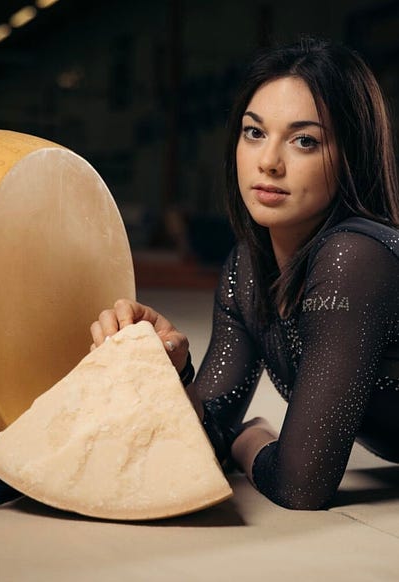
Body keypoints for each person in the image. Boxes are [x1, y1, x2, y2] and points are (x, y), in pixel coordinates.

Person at [90, 37, 399, 510]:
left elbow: (301, 485)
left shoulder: (354, 259)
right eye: (255, 132)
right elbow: (205, 436)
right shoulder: (249, 267)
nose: (269, 162)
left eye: (305, 141)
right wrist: (171, 370)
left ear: (350, 156)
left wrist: (248, 441)